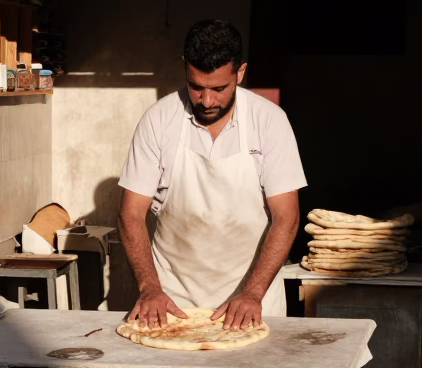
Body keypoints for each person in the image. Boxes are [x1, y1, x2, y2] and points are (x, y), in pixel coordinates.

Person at [117, 20, 306, 331]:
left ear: (240, 73)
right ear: (185, 68)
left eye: (219, 89)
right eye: (196, 87)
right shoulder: (159, 120)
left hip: (254, 302)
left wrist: (252, 293)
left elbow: (287, 217)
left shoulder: (269, 121)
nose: (207, 101)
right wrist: (150, 288)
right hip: (172, 304)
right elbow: (130, 214)